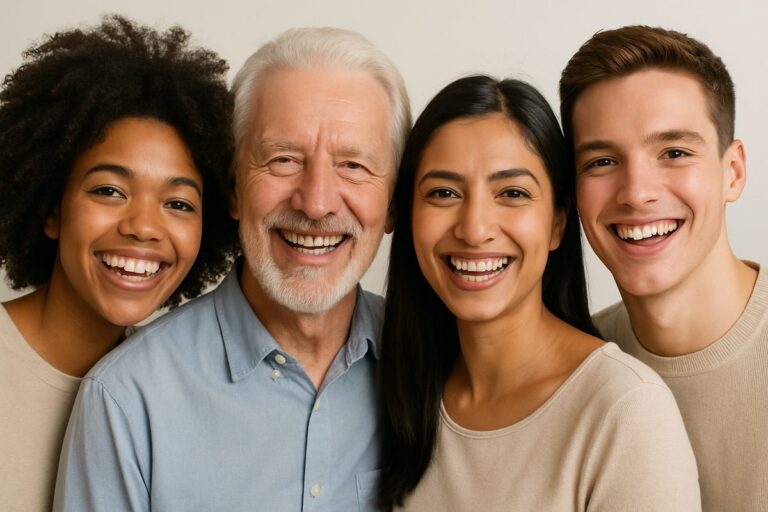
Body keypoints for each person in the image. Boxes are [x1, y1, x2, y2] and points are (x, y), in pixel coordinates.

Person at [54, 27, 410, 511]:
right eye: (283, 159)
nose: (316, 202)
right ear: (235, 189)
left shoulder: (431, 366)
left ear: (392, 205)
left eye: (353, 165)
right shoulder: (126, 398)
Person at [378, 75, 700, 511]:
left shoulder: (625, 409)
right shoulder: (395, 388)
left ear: (557, 223)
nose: (474, 229)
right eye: (444, 193)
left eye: (512, 193)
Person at [0, 15, 237, 512]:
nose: (144, 227)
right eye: (109, 190)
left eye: (178, 203)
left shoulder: (171, 386)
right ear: (51, 210)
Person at [559, 26, 767, 511]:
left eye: (674, 153)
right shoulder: (572, 369)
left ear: (733, 172)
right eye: (602, 161)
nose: (636, 193)